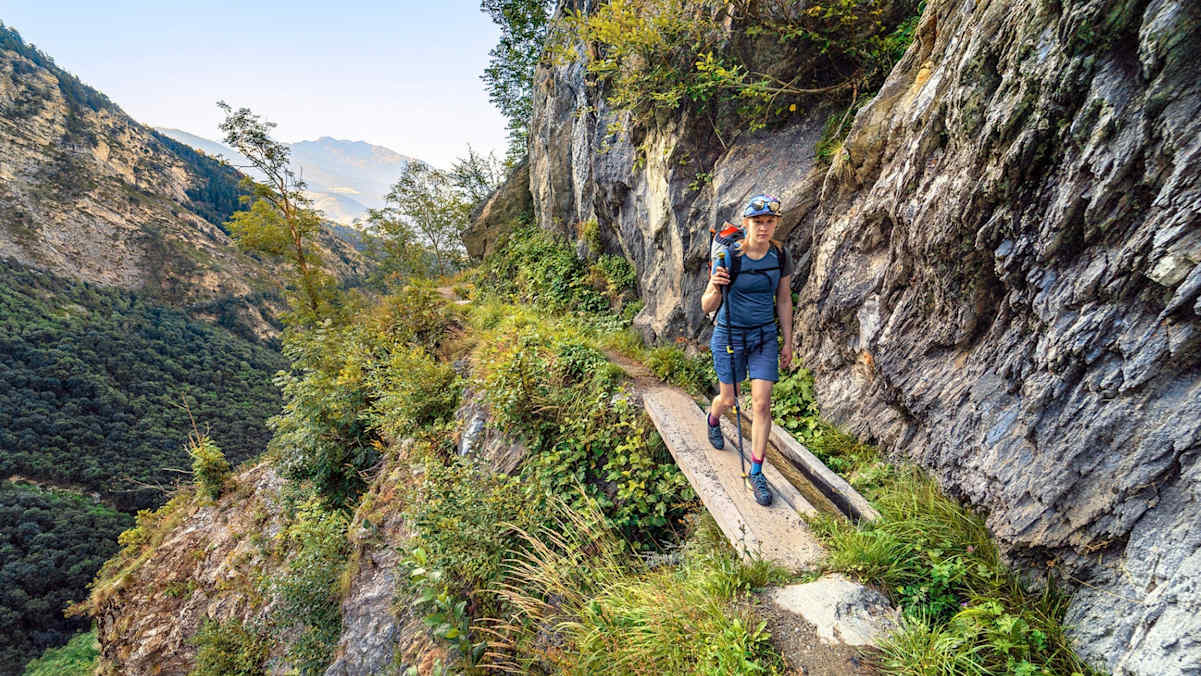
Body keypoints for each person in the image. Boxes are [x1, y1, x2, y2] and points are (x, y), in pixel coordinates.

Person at [700, 193, 794, 506]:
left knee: (761, 404)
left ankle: (756, 472)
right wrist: (715, 285)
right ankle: (713, 419)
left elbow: (783, 299)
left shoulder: (780, 256)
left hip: (764, 336)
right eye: (757, 222)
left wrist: (788, 341)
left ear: (776, 223)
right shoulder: (729, 256)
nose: (763, 227)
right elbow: (706, 306)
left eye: (769, 222)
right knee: (728, 399)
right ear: (746, 223)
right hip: (729, 334)